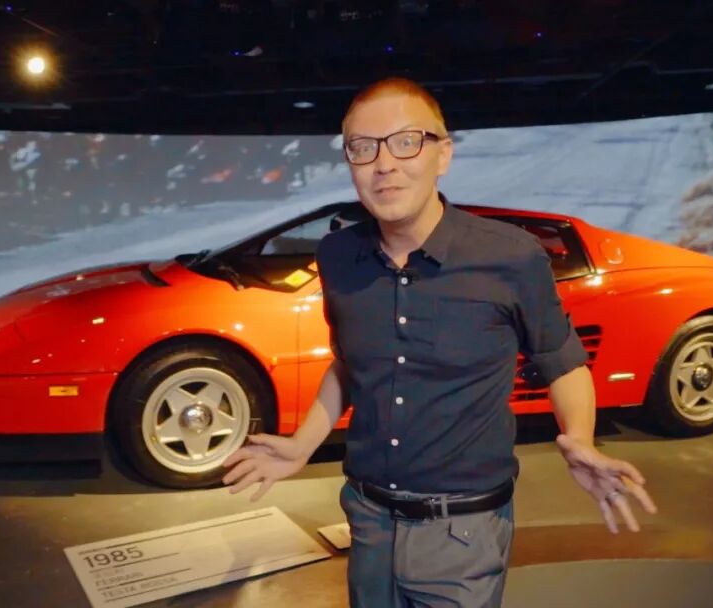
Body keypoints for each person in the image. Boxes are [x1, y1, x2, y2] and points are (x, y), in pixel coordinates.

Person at [221, 77, 658, 607]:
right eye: (362, 148)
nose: (384, 164)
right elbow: (349, 364)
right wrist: (302, 443)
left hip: (464, 530)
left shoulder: (510, 256)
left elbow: (561, 361)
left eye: (406, 142)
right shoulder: (339, 255)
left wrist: (581, 438)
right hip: (368, 517)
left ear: (443, 154)